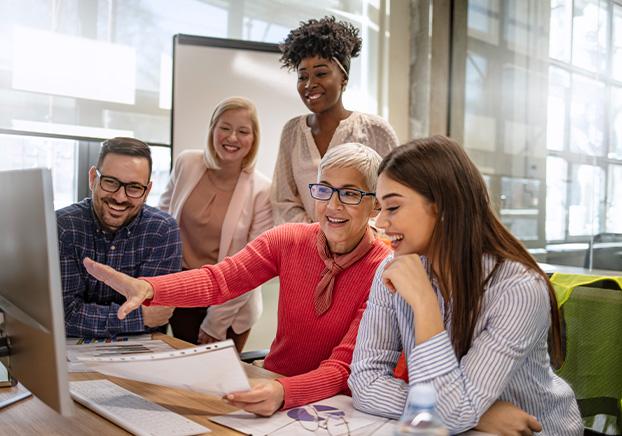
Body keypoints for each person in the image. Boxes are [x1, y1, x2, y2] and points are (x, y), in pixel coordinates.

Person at [83, 143, 391, 416]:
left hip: (338, 407)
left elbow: (342, 369)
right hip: (272, 386)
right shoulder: (289, 240)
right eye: (324, 189)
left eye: (349, 193)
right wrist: (150, 288)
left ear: (376, 203)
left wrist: (285, 393)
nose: (333, 205)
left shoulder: (385, 270)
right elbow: (220, 280)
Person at [348, 136, 583, 435]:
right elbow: (365, 383)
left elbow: (453, 413)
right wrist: (478, 414)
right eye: (379, 208)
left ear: (443, 206)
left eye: (392, 207)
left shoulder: (519, 290)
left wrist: (424, 303)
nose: (380, 222)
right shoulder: (393, 269)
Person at [159, 97, 273, 350]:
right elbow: (161, 222)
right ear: (212, 128)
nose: (232, 137)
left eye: (243, 131)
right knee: (180, 378)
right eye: (225, 127)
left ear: (254, 139)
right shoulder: (187, 163)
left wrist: (216, 322)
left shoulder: (263, 190)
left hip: (231, 303)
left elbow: (252, 266)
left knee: (218, 385)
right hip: (183, 290)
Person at [272, 16, 399, 224]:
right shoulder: (292, 131)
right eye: (302, 76)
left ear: (344, 79)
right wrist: (318, 236)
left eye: (321, 73)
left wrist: (350, 237)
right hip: (306, 248)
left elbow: (392, 197)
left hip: (365, 249)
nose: (310, 84)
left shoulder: (376, 131)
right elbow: (283, 201)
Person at [57, 137, 182, 338]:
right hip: (70, 355)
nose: (120, 197)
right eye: (110, 182)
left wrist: (145, 318)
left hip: (138, 355)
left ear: (147, 191)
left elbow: (158, 316)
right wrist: (138, 318)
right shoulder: (63, 227)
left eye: (134, 187)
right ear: (92, 178)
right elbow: (64, 315)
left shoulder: (162, 231)